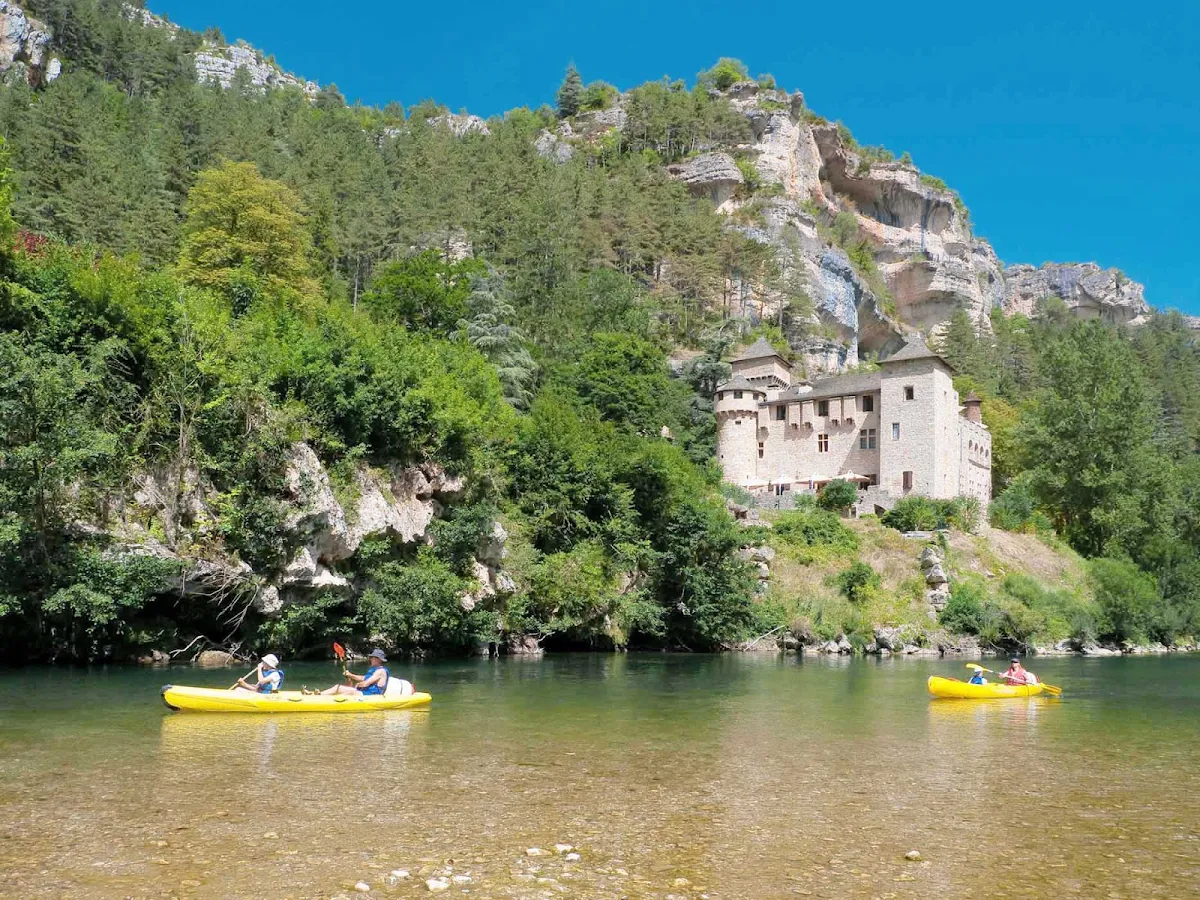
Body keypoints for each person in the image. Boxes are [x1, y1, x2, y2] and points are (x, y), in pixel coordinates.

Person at [320, 648, 390, 696]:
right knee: (338, 687)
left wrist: (357, 685)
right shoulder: (374, 669)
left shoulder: (381, 671)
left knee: (349, 692)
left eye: (372, 658)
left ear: (379, 659)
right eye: (371, 657)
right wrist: (350, 675)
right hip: (364, 692)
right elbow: (363, 678)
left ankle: (328, 702)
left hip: (372, 695)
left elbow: (365, 684)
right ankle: (318, 695)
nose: (370, 659)